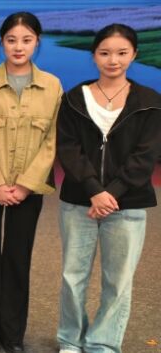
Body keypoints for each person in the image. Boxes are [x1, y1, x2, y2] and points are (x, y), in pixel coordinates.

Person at [55, 24, 161, 353]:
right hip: (79, 201)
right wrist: (93, 190)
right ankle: (70, 340)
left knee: (119, 281)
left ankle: (102, 344)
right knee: (73, 276)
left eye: (121, 53)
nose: (113, 60)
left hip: (127, 204)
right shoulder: (74, 98)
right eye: (104, 53)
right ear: (94, 56)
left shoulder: (150, 101)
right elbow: (68, 148)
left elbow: (146, 156)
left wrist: (111, 193)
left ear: (134, 55)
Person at [0, 12, 63, 353]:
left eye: (26, 40)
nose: (18, 47)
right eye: (11, 40)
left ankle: (12, 332)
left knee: (18, 258)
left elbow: (52, 140)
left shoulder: (52, 85)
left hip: (29, 188)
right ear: (2, 42)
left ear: (37, 42)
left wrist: (24, 184)